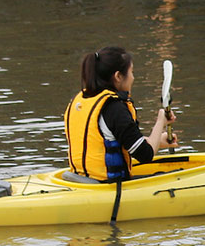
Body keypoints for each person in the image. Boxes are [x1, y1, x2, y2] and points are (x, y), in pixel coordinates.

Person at [65, 46, 177, 182]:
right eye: (131, 72)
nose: (133, 78)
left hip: (80, 180)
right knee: (178, 175)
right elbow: (145, 155)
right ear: (118, 76)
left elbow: (121, 141)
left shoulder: (80, 102)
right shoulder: (114, 108)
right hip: (108, 187)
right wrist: (161, 121)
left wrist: (157, 141)